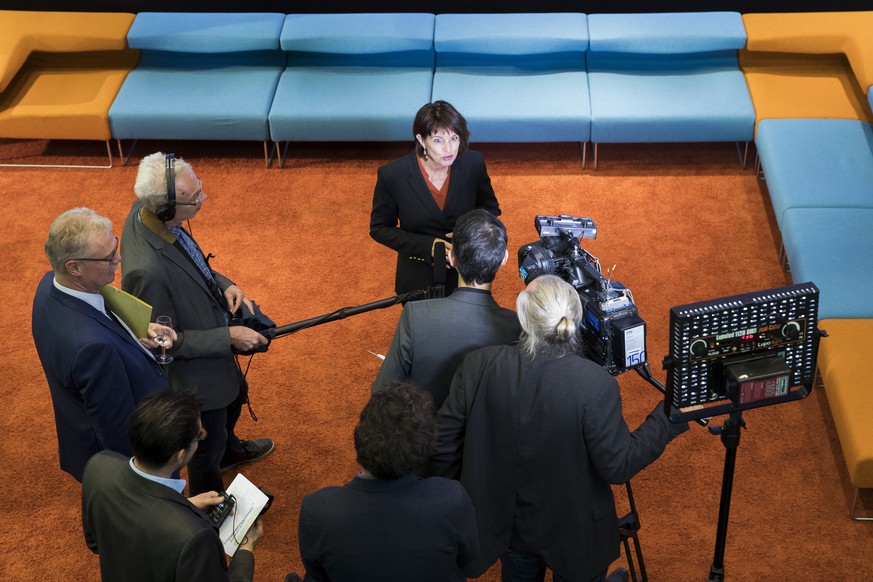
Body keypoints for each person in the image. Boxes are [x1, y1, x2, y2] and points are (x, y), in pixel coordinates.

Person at [431, 275, 691, 582]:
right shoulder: (594, 384)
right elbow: (618, 465)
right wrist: (669, 415)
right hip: (575, 532)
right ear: (576, 320)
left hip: (506, 524)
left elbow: (443, 445)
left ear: (524, 321)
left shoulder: (478, 364)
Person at [120, 151, 273, 495]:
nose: (204, 198)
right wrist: (227, 336)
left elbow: (189, 260)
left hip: (214, 350)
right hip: (195, 378)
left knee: (236, 395)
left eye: (199, 188)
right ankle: (208, 506)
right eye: (194, 198)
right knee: (205, 446)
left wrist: (222, 282)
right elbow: (165, 342)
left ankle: (229, 452)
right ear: (165, 208)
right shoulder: (148, 271)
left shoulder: (145, 211)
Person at [32, 207, 174, 482]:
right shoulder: (94, 349)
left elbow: (96, 311)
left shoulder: (50, 283)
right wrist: (151, 482)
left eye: (116, 247)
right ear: (75, 267)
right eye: (109, 257)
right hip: (132, 460)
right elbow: (119, 435)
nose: (119, 258)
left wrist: (132, 329)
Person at [296, 382, 478, 582]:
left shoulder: (318, 509)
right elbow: (470, 565)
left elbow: (317, 575)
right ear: (424, 448)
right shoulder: (452, 498)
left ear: (359, 436)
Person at [82, 390, 264, 581]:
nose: (204, 435)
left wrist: (183, 505)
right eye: (198, 436)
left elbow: (95, 543)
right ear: (179, 455)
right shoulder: (194, 537)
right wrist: (246, 547)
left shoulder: (98, 466)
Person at [372, 209, 521, 409]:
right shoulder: (518, 327)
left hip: (426, 433)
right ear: (504, 259)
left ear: (451, 258)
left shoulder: (416, 316)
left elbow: (383, 391)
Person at [370, 100, 501, 298]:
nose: (449, 149)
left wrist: (468, 234)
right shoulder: (392, 175)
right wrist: (427, 246)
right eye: (438, 140)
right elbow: (379, 229)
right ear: (422, 140)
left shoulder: (473, 163)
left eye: (454, 138)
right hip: (419, 268)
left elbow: (490, 208)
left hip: (465, 271)